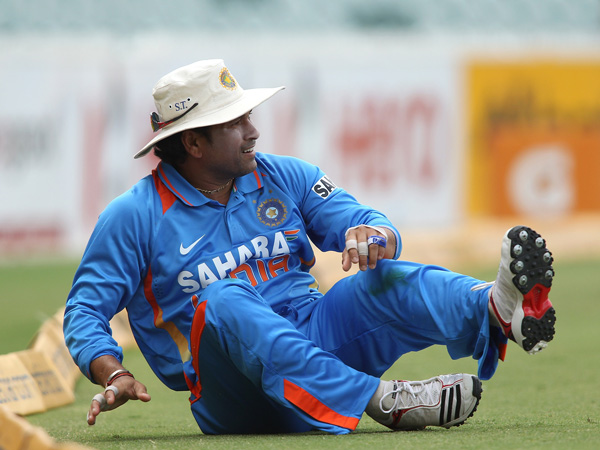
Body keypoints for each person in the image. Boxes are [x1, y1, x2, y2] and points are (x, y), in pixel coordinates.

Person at [63, 59, 556, 435]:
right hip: (230, 390)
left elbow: (368, 221)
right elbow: (84, 309)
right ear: (192, 143)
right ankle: (383, 400)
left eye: (248, 115)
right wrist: (113, 371)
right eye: (236, 122)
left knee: (383, 277)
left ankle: (495, 308)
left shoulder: (285, 174)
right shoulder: (133, 215)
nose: (253, 130)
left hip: (315, 336)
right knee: (222, 299)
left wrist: (373, 235)